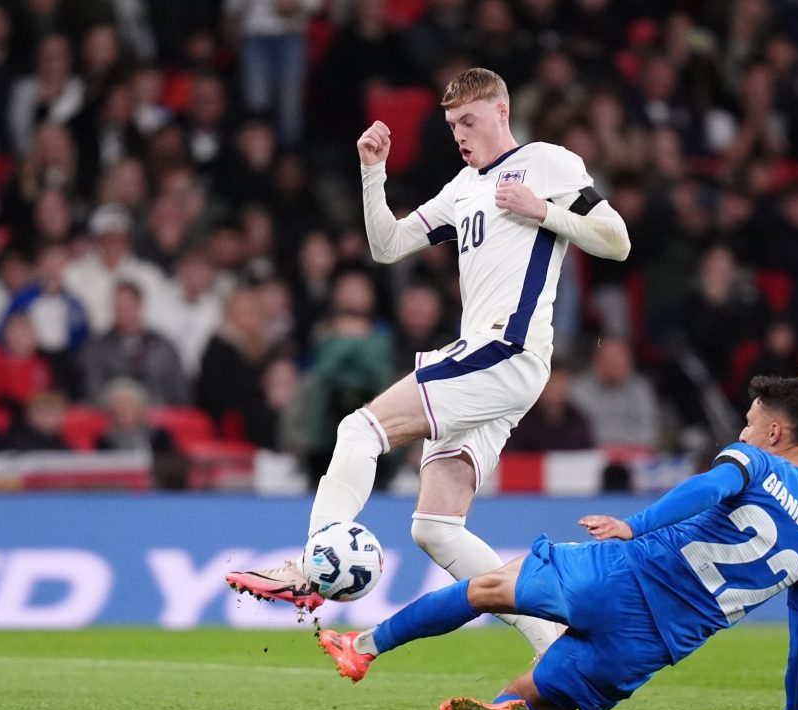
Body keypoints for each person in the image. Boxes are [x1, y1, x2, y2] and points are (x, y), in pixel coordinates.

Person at [227, 67, 631, 659]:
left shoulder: (547, 163)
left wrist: (543, 212)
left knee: (358, 429)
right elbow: (386, 246)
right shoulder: (463, 186)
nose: (460, 135)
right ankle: (558, 651)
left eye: (468, 121)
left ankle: (312, 567)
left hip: (506, 348)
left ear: (501, 111)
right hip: (494, 361)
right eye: (451, 125)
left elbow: (615, 239)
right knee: (434, 527)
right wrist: (372, 173)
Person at [315, 376, 798, 710]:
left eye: (748, 423)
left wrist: (634, 525)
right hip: (652, 646)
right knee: (526, 696)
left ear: (773, 433)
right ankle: (519, 708)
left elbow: (707, 487)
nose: (742, 432)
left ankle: (364, 646)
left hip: (625, 576)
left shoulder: (755, 461)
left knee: (487, 588)